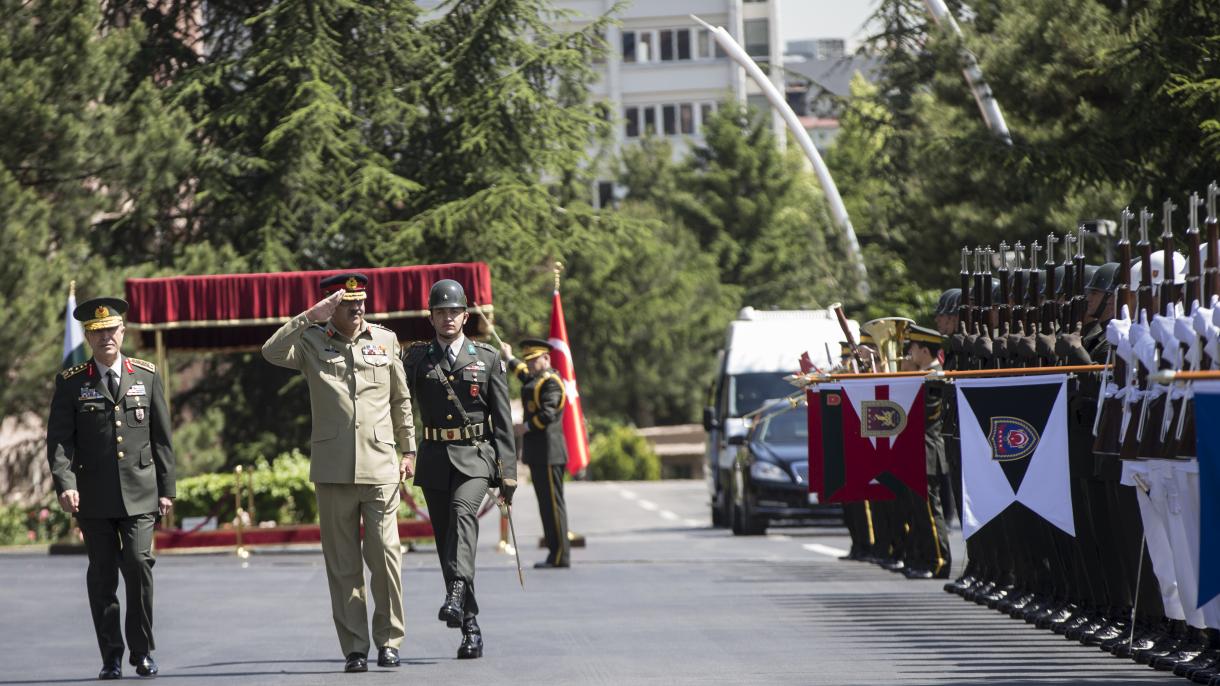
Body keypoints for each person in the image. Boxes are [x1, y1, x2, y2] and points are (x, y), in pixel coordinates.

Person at [261, 273, 415, 673]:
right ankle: (355, 647)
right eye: (349, 304)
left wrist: (409, 448)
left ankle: (390, 639)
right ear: (332, 306)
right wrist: (308, 317)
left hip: (381, 465)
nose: (358, 309)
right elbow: (271, 352)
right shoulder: (311, 341)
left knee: (385, 557)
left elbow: (400, 398)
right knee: (343, 564)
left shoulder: (385, 340)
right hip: (332, 470)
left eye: (362, 302)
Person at [46, 296, 175, 680]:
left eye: (111, 330)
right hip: (94, 495)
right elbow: (59, 441)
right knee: (102, 576)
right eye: (97, 331)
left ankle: (142, 651)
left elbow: (162, 439)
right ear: (88, 336)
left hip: (140, 494)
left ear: (123, 332)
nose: (106, 337)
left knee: (138, 566)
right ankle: (111, 656)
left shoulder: (147, 376)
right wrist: (65, 484)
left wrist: (167, 489)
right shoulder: (71, 383)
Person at [401, 279, 516, 660]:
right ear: (430, 316)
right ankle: (470, 626)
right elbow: (394, 400)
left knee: (462, 513)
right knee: (446, 539)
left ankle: (455, 589)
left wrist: (507, 473)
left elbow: (502, 420)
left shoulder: (486, 358)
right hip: (435, 457)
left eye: (454, 311)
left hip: (476, 456)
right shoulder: (416, 360)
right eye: (440, 311)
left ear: (465, 316)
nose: (447, 317)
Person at [502, 338, 571, 569]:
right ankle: (554, 552)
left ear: (546, 358)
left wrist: (526, 427)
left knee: (553, 504)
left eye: (533, 360)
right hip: (539, 453)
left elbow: (549, 413)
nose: (529, 365)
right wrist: (509, 357)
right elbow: (523, 374)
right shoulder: (536, 378)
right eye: (528, 360)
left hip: (550, 452)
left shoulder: (551, 382)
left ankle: (561, 554)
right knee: (545, 504)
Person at [901, 325, 952, 579]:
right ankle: (922, 558)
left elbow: (921, 414)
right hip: (916, 451)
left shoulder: (934, 377)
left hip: (927, 450)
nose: (908, 355)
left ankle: (939, 560)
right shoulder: (922, 376)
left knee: (930, 511)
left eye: (911, 349)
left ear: (923, 350)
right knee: (919, 512)